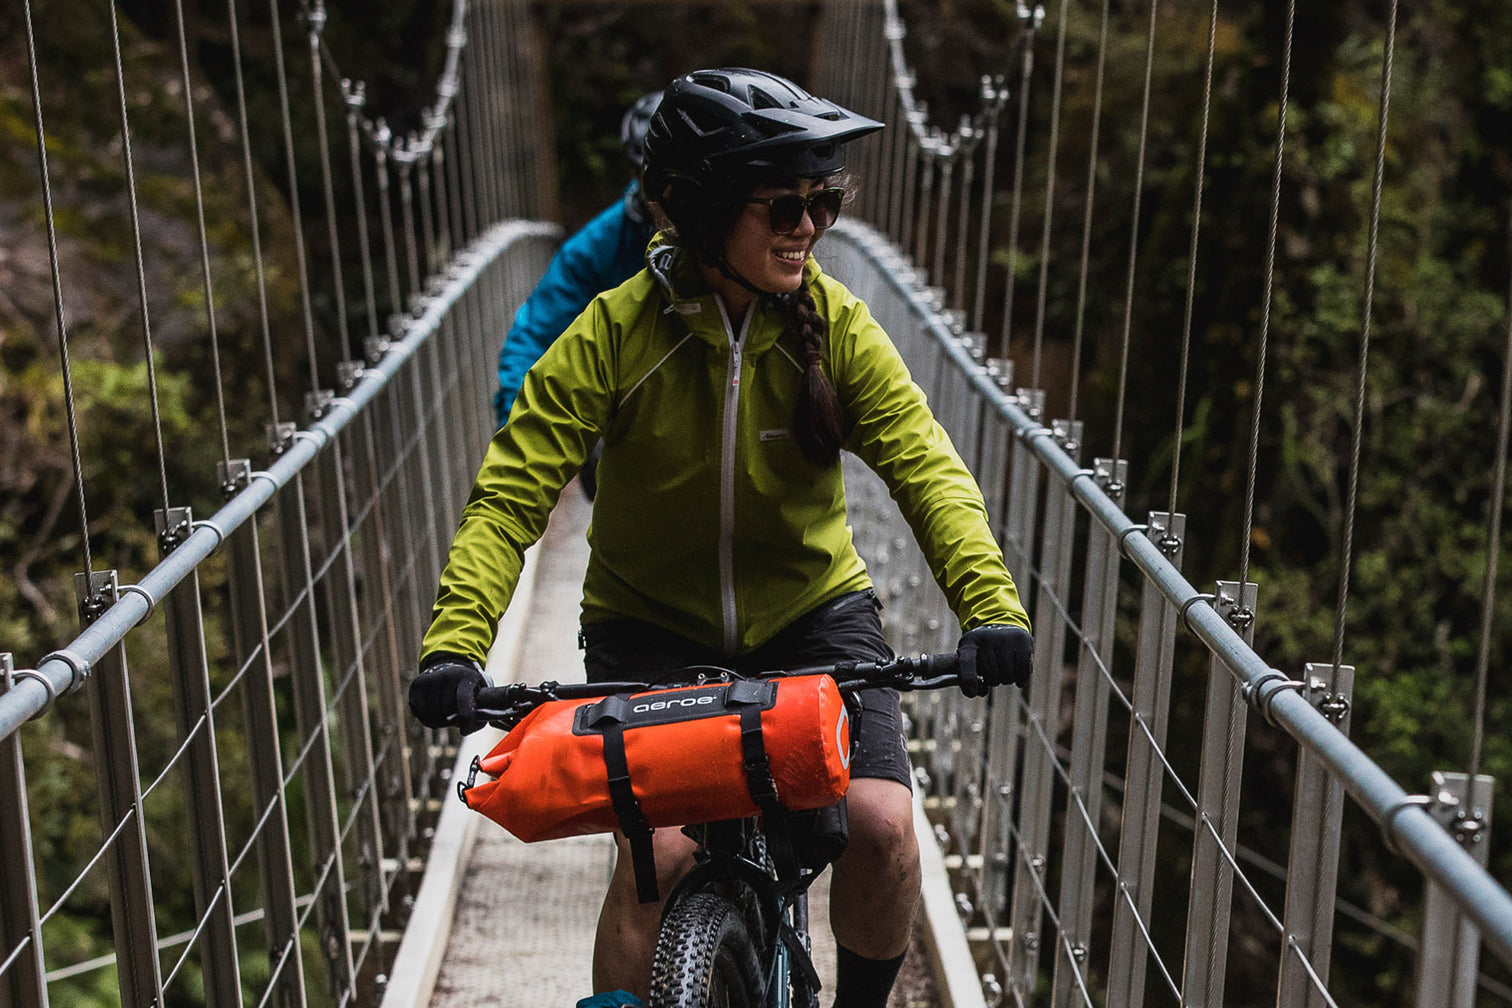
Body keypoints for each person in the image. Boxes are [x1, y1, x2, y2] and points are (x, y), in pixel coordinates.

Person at [410, 68, 1034, 1008]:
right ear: (702, 212)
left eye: (824, 201)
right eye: (785, 203)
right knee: (655, 858)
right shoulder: (612, 335)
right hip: (649, 626)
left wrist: (991, 608)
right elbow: (508, 499)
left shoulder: (837, 329)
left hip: (812, 617)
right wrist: (456, 645)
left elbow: (926, 468)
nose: (811, 227)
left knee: (884, 826)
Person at [494, 89, 662, 431]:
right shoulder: (595, 248)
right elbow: (535, 338)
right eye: (656, 179)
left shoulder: (745, 234)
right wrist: (515, 435)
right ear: (634, 175)